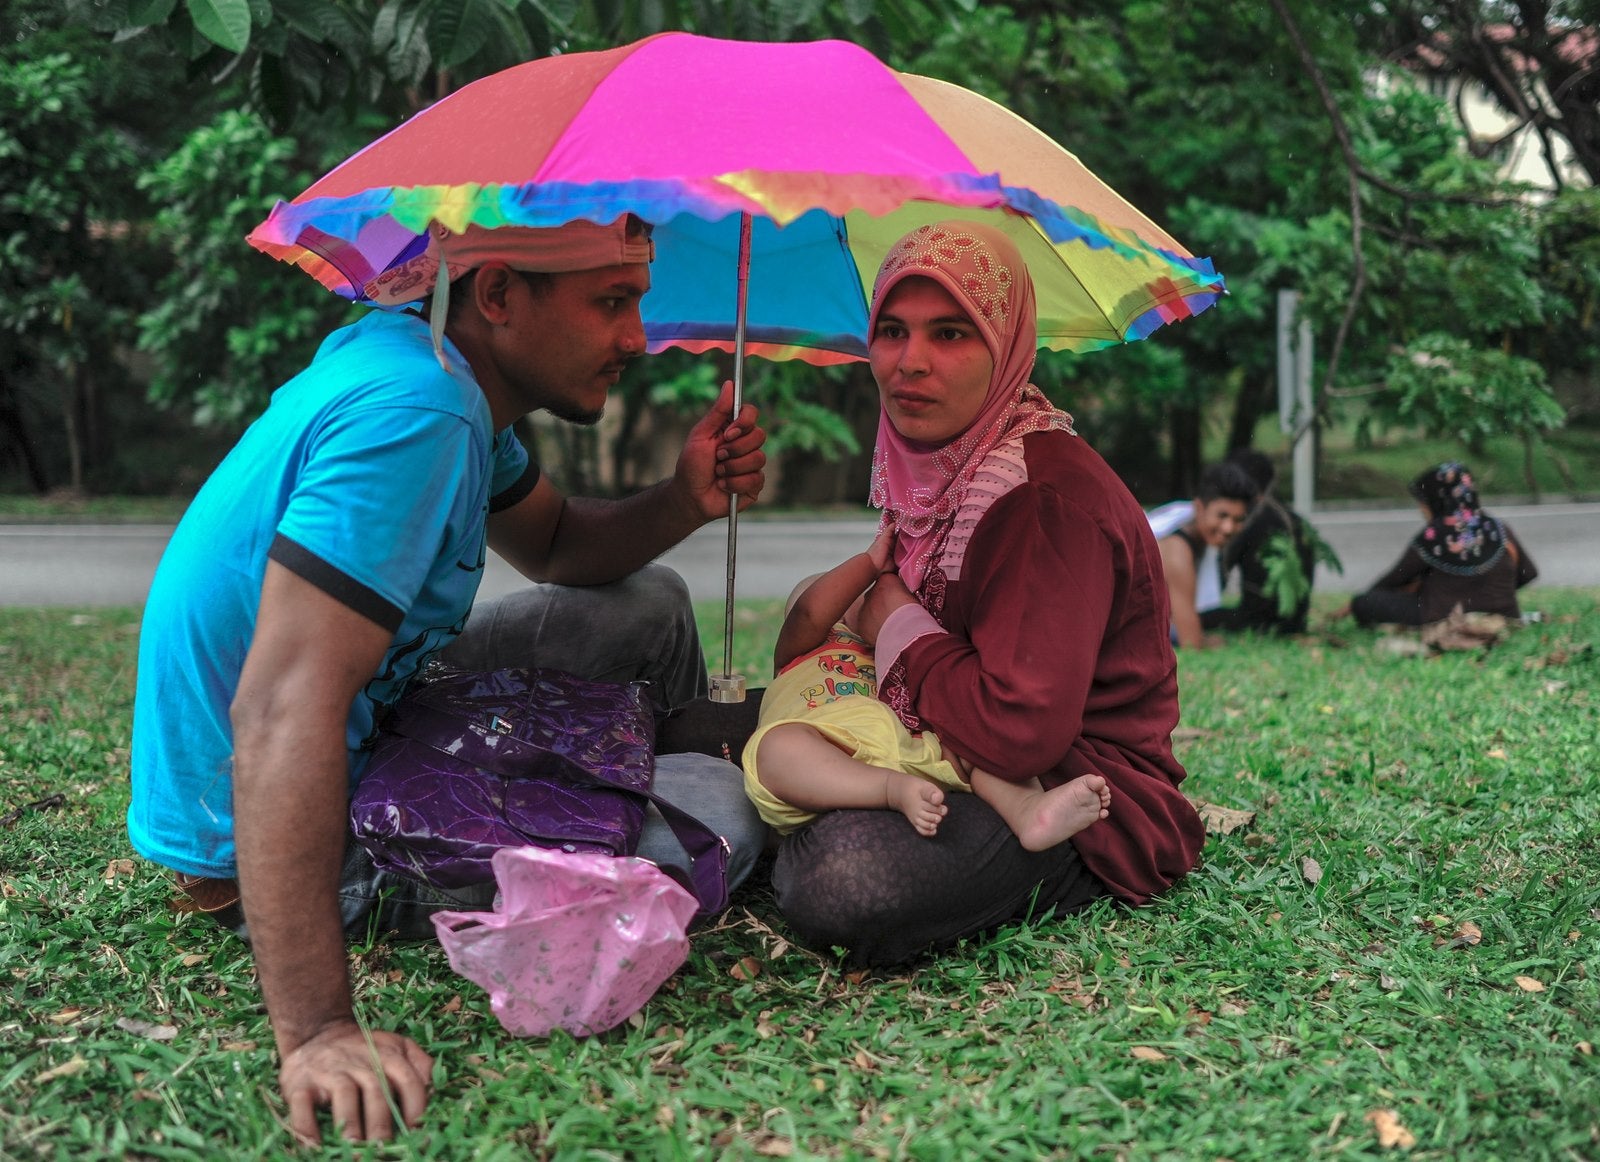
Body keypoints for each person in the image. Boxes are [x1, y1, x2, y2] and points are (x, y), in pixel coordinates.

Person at [128, 215, 770, 1145]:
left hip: (368, 721)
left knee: (651, 603)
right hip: (262, 827)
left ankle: (636, 776)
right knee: (731, 804)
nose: (637, 337)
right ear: (500, 295)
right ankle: (660, 790)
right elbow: (279, 705)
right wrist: (316, 1032)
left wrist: (683, 499)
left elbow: (553, 545)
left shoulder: (438, 367)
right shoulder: (415, 413)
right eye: (612, 302)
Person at [770, 220, 1206, 967]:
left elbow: (1019, 732)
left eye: (950, 334)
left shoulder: (1040, 502)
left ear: (1006, 346)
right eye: (892, 332)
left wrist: (893, 619)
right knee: (729, 733)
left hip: (1078, 789)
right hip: (938, 742)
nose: (911, 363)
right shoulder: (940, 466)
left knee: (843, 877)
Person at [742, 525, 1112, 848]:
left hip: (916, 744)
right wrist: (868, 565)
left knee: (976, 732)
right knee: (776, 749)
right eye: (840, 600)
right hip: (828, 748)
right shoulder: (796, 653)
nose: (851, 601)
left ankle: (1028, 811)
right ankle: (890, 790)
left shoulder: (888, 644)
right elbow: (809, 611)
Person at [1348, 461, 1537, 627]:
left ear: (1436, 499)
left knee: (1364, 603)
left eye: (1422, 503)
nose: (1421, 510)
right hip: (1506, 614)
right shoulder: (1499, 528)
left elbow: (1394, 580)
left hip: (1440, 616)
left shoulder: (1433, 535)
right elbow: (1528, 573)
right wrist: (1488, 592)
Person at [1211, 448, 1321, 635]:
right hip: (1296, 622)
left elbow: (1219, 578)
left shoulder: (1250, 520)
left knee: (1197, 615)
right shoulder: (1295, 519)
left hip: (1257, 623)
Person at [1154, 462, 1259, 648]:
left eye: (1238, 519)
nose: (1228, 528)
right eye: (1222, 516)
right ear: (1199, 508)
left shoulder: (1197, 540)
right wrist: (1208, 642)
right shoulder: (1177, 549)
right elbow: (1191, 643)